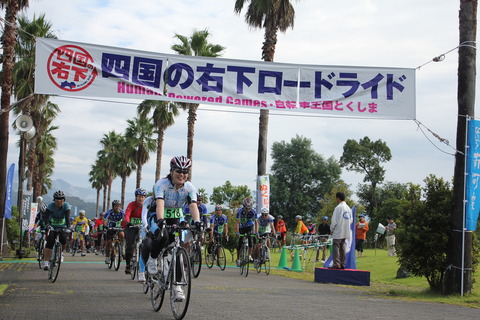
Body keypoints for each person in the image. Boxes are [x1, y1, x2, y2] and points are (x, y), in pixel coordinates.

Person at [142, 156, 201, 301]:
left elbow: (193, 205)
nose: (182, 174)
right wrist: (161, 220)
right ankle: (153, 258)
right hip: (158, 215)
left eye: (185, 171)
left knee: (179, 251)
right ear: (171, 171)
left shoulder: (189, 187)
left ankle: (178, 287)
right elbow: (160, 203)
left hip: (176, 217)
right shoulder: (161, 184)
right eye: (178, 171)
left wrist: (197, 221)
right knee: (162, 236)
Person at [42, 190, 71, 270]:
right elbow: (46, 217)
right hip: (52, 225)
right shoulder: (50, 206)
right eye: (57, 200)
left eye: (61, 200)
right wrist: (47, 225)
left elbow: (67, 218)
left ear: (64, 200)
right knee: (50, 242)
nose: (59, 202)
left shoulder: (66, 206)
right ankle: (46, 262)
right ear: (54, 200)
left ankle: (61, 253)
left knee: (64, 240)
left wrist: (68, 226)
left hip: (63, 225)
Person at [123, 188, 147, 275]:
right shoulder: (131, 205)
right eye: (139, 197)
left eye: (143, 197)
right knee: (130, 245)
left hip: (143, 227)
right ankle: (128, 265)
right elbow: (127, 214)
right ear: (136, 197)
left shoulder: (146, 205)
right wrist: (128, 222)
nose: (141, 199)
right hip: (132, 227)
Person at [329, 192, 353, 269]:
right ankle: (343, 263)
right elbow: (351, 220)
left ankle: (336, 263)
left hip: (338, 230)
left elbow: (334, 221)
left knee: (336, 246)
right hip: (346, 230)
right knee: (342, 246)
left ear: (338, 198)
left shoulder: (338, 208)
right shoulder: (348, 208)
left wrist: (331, 229)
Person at [235, 197, 258, 266]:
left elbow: (256, 222)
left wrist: (256, 232)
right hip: (241, 226)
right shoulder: (239, 211)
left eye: (249, 208)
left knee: (250, 238)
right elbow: (237, 222)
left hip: (249, 226)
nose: (247, 210)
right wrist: (237, 232)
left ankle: (250, 255)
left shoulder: (254, 211)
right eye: (246, 208)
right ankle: (238, 259)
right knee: (240, 241)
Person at [104, 200, 125, 264]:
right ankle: (107, 257)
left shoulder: (122, 212)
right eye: (116, 206)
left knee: (122, 235)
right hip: (110, 227)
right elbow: (104, 220)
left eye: (118, 206)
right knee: (109, 242)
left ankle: (120, 248)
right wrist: (105, 226)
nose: (117, 207)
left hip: (119, 227)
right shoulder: (109, 212)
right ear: (113, 206)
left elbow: (125, 219)